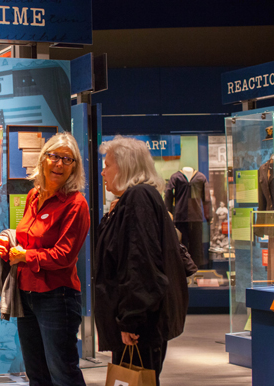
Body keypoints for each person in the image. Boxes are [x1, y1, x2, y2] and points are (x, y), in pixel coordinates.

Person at [0, 132, 90, 386]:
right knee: (36, 374)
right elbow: (27, 237)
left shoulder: (76, 204)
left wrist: (26, 255)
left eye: (67, 159)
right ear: (43, 159)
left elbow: (65, 255)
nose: (58, 164)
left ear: (74, 167)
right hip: (26, 294)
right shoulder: (34, 195)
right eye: (54, 156)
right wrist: (9, 244)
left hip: (57, 297)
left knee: (63, 373)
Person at [96, 136, 189, 386]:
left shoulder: (139, 198)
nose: (103, 172)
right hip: (138, 320)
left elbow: (140, 264)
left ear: (125, 166)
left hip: (141, 325)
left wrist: (131, 320)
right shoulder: (133, 199)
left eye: (107, 165)